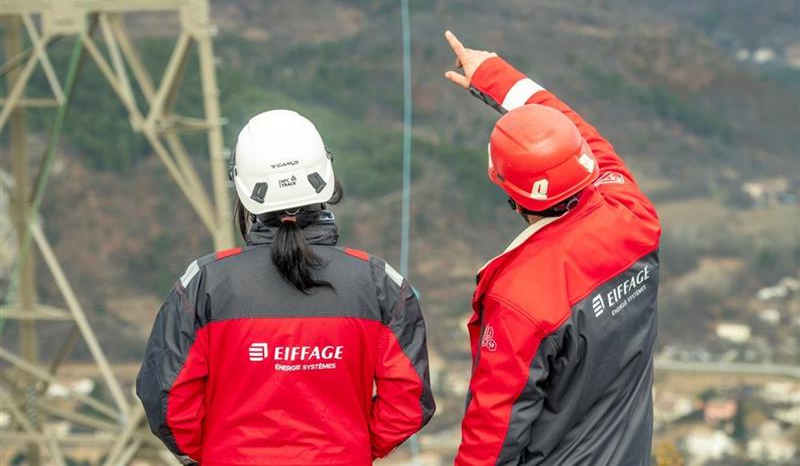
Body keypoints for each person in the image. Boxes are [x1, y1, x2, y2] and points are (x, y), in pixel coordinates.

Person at [136, 109, 435, 465]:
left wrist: (223, 451)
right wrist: (350, 447)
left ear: (243, 189)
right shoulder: (380, 284)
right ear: (326, 176)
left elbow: (167, 403)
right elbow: (408, 402)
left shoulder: (203, 284)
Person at [443, 31, 661, 465]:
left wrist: (493, 78)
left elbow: (493, 433)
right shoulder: (633, 214)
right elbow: (579, 133)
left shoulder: (521, 298)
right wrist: (495, 76)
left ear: (508, 189)